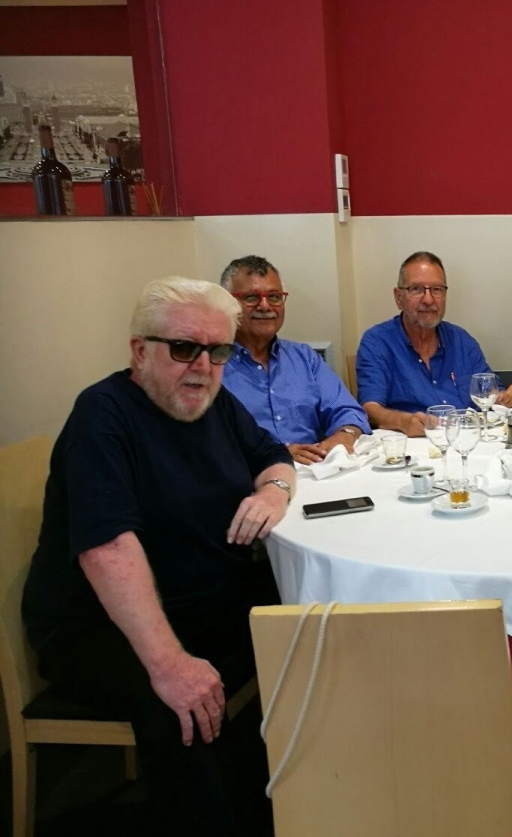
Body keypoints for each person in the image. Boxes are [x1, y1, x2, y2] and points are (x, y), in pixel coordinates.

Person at [22, 276, 296, 835]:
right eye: (184, 348)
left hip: (198, 596)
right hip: (101, 625)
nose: (202, 366)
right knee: (179, 703)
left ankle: (295, 798)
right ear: (139, 350)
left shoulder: (213, 403)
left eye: (218, 351)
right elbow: (106, 548)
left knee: (307, 617)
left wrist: (274, 492)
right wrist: (171, 664)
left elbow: (273, 455)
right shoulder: (103, 415)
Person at [219, 255, 369, 464]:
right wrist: (272, 455)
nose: (265, 306)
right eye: (251, 297)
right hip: (252, 478)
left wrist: (344, 435)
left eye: (274, 297)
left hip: (316, 470)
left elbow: (348, 410)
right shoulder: (209, 366)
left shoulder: (305, 358)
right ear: (227, 303)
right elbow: (208, 446)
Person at [356, 251, 512, 435]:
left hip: (468, 441)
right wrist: (402, 421)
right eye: (416, 289)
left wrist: (505, 397)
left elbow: (490, 392)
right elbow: (370, 409)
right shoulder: (377, 342)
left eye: (436, 290)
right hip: (412, 444)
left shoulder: (462, 341)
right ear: (398, 297)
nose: (428, 300)